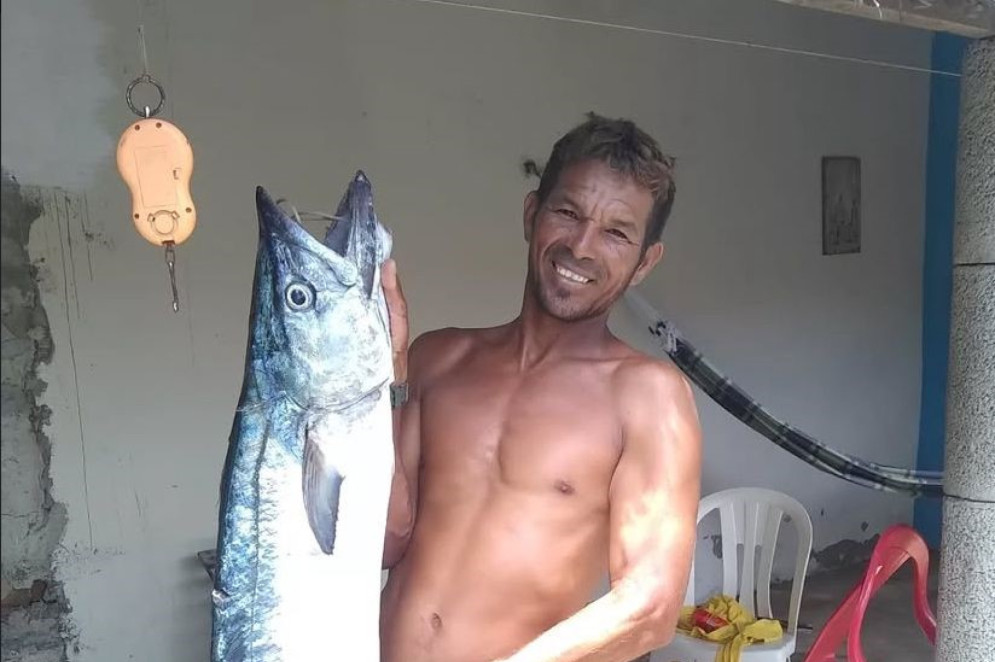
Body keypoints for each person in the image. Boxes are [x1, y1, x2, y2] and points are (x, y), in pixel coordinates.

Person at [378, 114, 702, 662]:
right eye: (568, 212)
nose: (581, 246)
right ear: (532, 214)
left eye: (616, 232)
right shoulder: (437, 359)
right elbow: (387, 542)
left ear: (645, 261)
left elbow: (650, 608)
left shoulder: (648, 397)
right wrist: (381, 374)